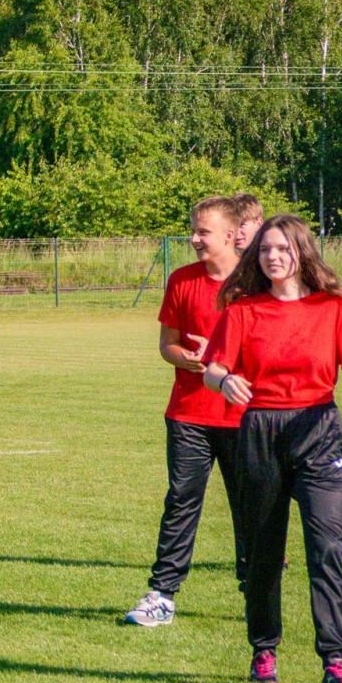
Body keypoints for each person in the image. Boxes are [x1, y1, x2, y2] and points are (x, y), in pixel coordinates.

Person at [203, 214, 342, 683]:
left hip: (318, 430)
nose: (273, 256)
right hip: (260, 433)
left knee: (326, 548)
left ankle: (336, 663)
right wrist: (225, 380)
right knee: (264, 554)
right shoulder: (243, 310)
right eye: (265, 249)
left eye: (283, 248)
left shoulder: (333, 306)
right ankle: (264, 649)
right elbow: (212, 369)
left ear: (302, 252)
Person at [123, 196, 247, 627]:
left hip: (244, 417)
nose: (194, 238)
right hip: (189, 415)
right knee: (181, 502)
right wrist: (187, 359)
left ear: (230, 235)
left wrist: (223, 363)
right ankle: (161, 595)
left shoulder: (255, 283)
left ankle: (256, 592)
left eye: (202, 232)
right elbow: (168, 345)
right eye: (193, 230)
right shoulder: (181, 280)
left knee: (250, 506)